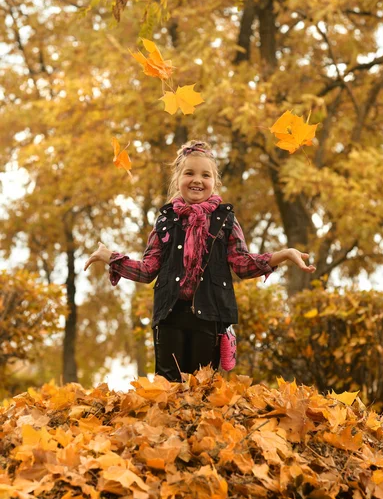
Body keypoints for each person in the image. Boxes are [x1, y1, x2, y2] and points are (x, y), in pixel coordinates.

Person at [84, 140, 316, 381]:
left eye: (205, 175)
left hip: (209, 315)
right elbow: (148, 270)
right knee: (168, 384)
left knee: (202, 384)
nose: (197, 179)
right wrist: (111, 258)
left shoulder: (225, 220)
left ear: (214, 182)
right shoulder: (165, 221)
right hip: (170, 314)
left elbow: (242, 264)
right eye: (189, 173)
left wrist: (286, 254)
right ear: (178, 180)